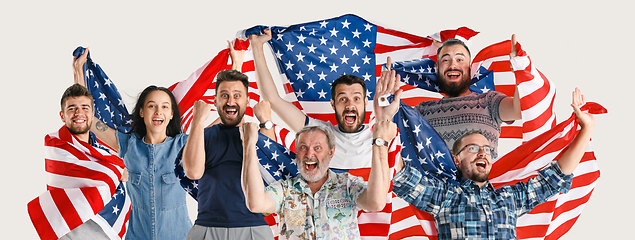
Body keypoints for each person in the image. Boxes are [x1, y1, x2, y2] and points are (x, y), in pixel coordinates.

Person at [391, 88, 594, 239]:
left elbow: (555, 177)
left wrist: (587, 128)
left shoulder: (509, 199)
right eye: (472, 148)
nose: (482, 153)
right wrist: (386, 126)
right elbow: (403, 177)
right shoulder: (445, 196)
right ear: (457, 159)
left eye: (487, 149)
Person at [73, 50, 192, 240]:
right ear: (142, 112)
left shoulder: (184, 145)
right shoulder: (128, 144)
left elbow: (224, 123)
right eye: (152, 106)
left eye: (164, 107)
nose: (158, 111)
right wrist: (79, 71)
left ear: (171, 115)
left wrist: (236, 68)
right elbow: (92, 121)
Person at [249, 29, 401, 170]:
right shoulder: (321, 133)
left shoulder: (381, 134)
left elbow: (399, 173)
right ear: (333, 104)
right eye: (343, 99)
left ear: (365, 103)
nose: (350, 105)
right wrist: (257, 47)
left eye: (356, 98)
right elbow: (273, 99)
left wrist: (386, 116)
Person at [240, 119, 396, 239]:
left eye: (317, 148)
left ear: (331, 153)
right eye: (303, 147)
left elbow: (376, 202)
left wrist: (379, 143)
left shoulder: (347, 184)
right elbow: (255, 204)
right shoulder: (284, 190)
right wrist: (249, 144)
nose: (309, 154)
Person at [181, 70, 276, 240]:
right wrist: (197, 120)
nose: (230, 101)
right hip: (207, 227)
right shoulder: (204, 135)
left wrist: (266, 120)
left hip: (254, 227)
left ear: (247, 100)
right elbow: (193, 172)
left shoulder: (255, 132)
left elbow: (269, 174)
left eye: (237, 95)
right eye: (224, 95)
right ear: (215, 100)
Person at [411, 36, 523, 157]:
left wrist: (520, 70)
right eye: (445, 60)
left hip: (484, 175)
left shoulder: (489, 101)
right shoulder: (422, 112)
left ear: (470, 68)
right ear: (437, 69)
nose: (453, 65)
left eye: (459, 59)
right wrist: (387, 94)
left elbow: (518, 110)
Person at [49, 84, 125, 239]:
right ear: (62, 116)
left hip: (105, 233)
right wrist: (116, 170)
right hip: (70, 232)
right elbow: (104, 174)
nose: (79, 113)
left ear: (92, 113)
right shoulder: (56, 146)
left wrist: (115, 169)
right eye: (71, 108)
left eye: (85, 107)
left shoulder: (105, 151)